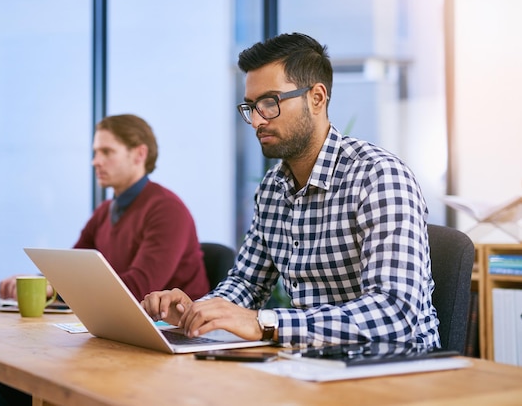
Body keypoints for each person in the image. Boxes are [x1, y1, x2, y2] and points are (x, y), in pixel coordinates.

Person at [142, 32, 440, 350]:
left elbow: (393, 314)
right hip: (309, 361)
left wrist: (265, 324)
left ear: (316, 98)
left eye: (270, 103)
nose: (257, 120)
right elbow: (247, 284)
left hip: (397, 370)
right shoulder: (272, 189)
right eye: (251, 106)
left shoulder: (378, 177)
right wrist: (196, 312)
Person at [0, 114, 209, 405]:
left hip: (170, 345)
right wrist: (40, 282)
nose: (96, 161)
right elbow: (70, 267)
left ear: (139, 154)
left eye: (107, 152)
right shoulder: (105, 211)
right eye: (95, 153)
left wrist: (54, 289)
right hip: (120, 337)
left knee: (34, 372)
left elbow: (137, 289)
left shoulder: (166, 209)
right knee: (12, 368)